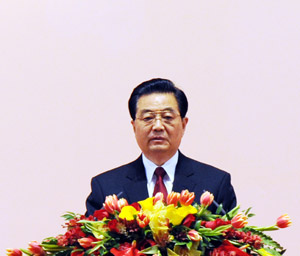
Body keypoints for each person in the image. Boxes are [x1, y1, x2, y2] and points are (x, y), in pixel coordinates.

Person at [85, 78, 236, 215]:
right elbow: (89, 242)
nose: (158, 126)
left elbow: (234, 241)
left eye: (167, 117)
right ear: (134, 126)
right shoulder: (107, 187)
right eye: (148, 118)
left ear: (183, 125)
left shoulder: (214, 184)